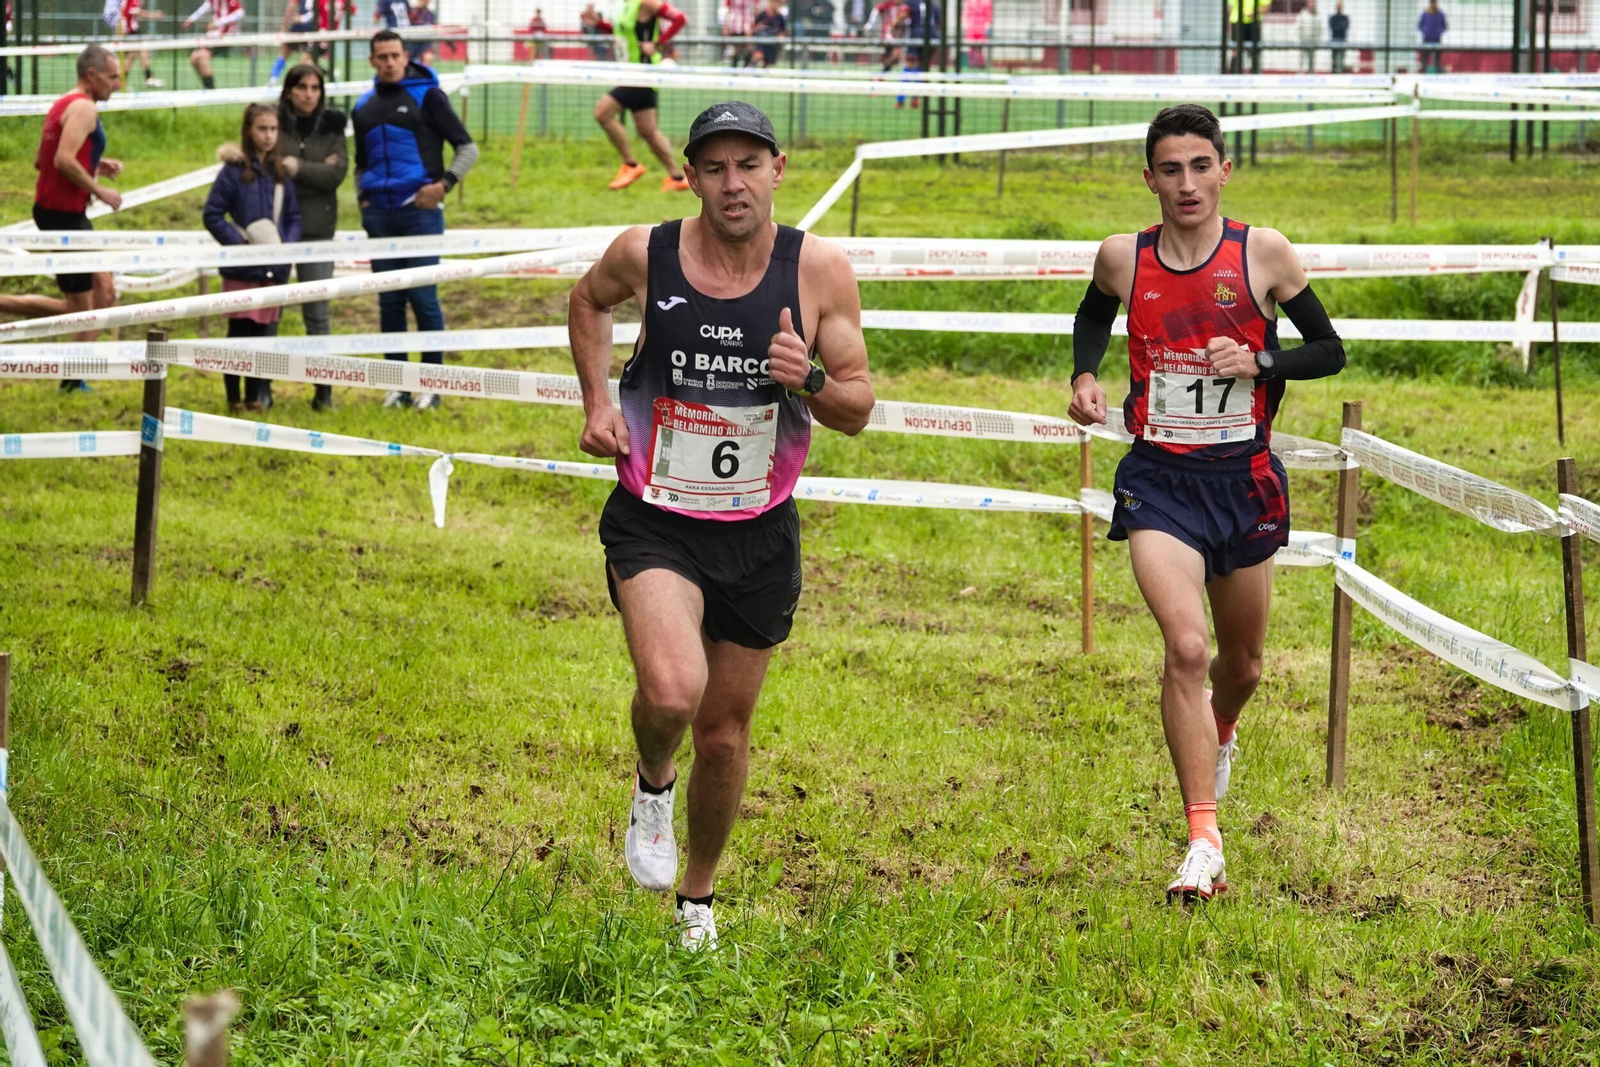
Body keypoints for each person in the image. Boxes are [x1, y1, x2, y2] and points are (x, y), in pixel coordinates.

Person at [568, 102, 874, 951]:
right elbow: (587, 301)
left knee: (726, 734)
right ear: (691, 176)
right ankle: (652, 779)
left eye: (748, 165)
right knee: (673, 692)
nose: (732, 184)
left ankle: (696, 897)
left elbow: (857, 406)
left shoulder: (819, 270)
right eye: (714, 167)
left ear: (778, 169)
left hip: (758, 531)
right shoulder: (647, 252)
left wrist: (808, 378)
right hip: (656, 517)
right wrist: (596, 402)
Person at [1067, 105, 1345, 904]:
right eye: (1170, 169)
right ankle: (1203, 840)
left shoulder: (1263, 253)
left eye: (1200, 166)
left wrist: (1261, 360)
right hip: (1158, 481)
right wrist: (1085, 375)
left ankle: (1221, 729)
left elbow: (1330, 350)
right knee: (1186, 648)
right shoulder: (1123, 257)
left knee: (1242, 665)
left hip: (1243, 483)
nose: (1186, 183)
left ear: (1225, 169)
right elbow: (1093, 312)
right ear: (1149, 178)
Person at [353, 29, 478, 410]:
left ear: (406, 57)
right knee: (389, 301)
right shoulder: (363, 106)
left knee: (423, 298)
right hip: (379, 217)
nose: (390, 62)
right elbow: (361, 163)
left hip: (420, 214)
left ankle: (431, 386)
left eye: (395, 55)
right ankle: (397, 387)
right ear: (372, 61)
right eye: (382, 57)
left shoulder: (429, 95)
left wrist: (444, 185)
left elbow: (467, 148)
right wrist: (363, 200)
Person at [34, 45, 123, 394]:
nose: (117, 85)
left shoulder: (63, 104)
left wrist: (95, 166)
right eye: (113, 77)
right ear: (91, 75)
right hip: (64, 216)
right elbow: (61, 161)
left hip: (62, 212)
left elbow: (42, 161)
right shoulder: (84, 108)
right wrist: (100, 191)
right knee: (81, 306)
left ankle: (74, 374)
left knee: (104, 291)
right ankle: (71, 380)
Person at [203, 103, 303, 413]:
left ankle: (254, 397)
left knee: (262, 335)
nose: (268, 135)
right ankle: (234, 398)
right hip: (241, 270)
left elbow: (293, 217)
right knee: (239, 333)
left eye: (273, 129)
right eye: (262, 129)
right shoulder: (232, 172)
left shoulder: (281, 174)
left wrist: (286, 247)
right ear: (249, 130)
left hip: (272, 268)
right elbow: (212, 213)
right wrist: (239, 244)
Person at [278, 64, 348, 411]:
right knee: (269, 313)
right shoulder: (272, 122)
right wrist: (314, 170)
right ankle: (261, 390)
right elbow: (269, 168)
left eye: (315, 88)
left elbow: (336, 174)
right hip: (276, 231)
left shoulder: (333, 127)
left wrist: (298, 167)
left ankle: (324, 394)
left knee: (318, 315)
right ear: (289, 90)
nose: (309, 94)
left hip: (318, 230)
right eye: (302, 87)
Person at [589, 0, 692, 192]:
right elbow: (624, 33)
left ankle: (631, 164)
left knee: (602, 113)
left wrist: (657, 43)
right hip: (632, 73)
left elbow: (680, 18)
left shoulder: (647, 2)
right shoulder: (625, 5)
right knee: (648, 130)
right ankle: (677, 177)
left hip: (641, 74)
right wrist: (599, 24)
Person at [182, 0, 243, 90]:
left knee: (202, 56)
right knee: (194, 58)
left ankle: (211, 90)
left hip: (224, 36)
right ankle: (207, 87)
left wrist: (218, 23)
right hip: (213, 35)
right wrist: (191, 19)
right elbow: (203, 8)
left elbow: (240, 13)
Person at [112, 0, 165, 89]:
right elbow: (133, 11)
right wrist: (153, 15)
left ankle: (121, 82)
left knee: (134, 55)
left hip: (134, 30)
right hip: (129, 31)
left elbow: (133, 14)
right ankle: (148, 78)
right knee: (138, 52)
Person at [750, 0, 785, 68]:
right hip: (761, 42)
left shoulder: (780, 17)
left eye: (777, 3)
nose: (775, 5)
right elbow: (754, 27)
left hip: (772, 44)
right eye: (773, 2)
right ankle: (750, 67)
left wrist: (780, 37)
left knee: (766, 63)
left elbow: (783, 30)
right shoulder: (762, 15)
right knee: (758, 56)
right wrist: (757, 28)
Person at [1228, 0, 1260, 74]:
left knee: (1254, 52)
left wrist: (1254, 13)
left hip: (1253, 23)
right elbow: (1230, 7)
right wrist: (1229, 26)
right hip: (1236, 22)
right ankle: (1234, 74)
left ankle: (1255, 73)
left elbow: (1266, 7)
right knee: (1235, 50)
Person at [1418, 0, 1446, 74]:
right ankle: (1424, 72)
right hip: (1426, 39)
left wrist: (1438, 32)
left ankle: (1437, 73)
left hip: (1437, 39)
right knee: (1425, 58)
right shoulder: (1425, 14)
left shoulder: (1440, 14)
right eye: (1432, 3)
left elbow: (1444, 26)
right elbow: (1419, 25)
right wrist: (1425, 31)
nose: (1433, 4)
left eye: (1434, 3)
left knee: (1437, 58)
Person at [407, 0, 438, 66]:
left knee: (428, 57)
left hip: (425, 42)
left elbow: (434, 28)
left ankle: (424, 71)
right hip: (412, 42)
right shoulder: (411, 11)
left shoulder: (431, 14)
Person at [1296, 0, 1320, 73]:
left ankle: (1312, 73)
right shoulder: (1302, 15)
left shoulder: (1317, 16)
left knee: (1312, 61)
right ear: (1307, 4)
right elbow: (1298, 28)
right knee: (1301, 60)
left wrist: (1317, 40)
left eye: (1314, 3)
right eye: (1311, 2)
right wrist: (1300, 40)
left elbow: (1320, 29)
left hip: (1313, 42)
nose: (1312, 4)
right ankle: (1300, 74)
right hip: (1303, 42)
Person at [1329, 2, 1350, 74]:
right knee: (1334, 58)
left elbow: (1345, 27)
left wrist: (1339, 26)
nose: (1338, 8)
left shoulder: (1345, 18)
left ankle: (1341, 73)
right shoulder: (1333, 18)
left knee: (1341, 58)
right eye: (1338, 7)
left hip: (1342, 40)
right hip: (1334, 40)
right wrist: (1340, 26)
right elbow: (1333, 27)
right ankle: (1334, 73)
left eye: (1340, 7)